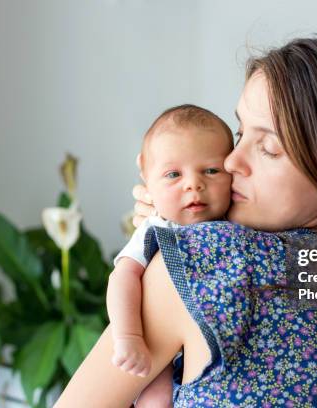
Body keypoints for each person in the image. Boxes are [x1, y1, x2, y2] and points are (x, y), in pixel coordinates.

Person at [56, 34, 317, 408]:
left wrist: (173, 235)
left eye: (269, 148)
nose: (230, 161)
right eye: (240, 133)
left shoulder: (211, 258)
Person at [107, 104, 234, 406]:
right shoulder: (156, 228)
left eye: (212, 170)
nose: (193, 184)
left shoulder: (236, 224)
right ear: (145, 174)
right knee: (155, 398)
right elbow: (122, 276)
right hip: (156, 344)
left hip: (208, 352)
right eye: (173, 174)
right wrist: (128, 337)